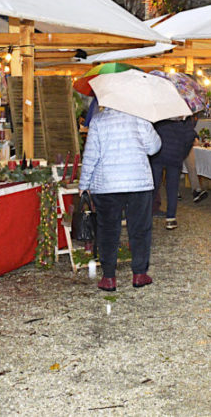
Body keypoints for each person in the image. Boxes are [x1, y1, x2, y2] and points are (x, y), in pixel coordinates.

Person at [77, 107, 162, 291]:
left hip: (107, 184)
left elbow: (91, 155)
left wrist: (84, 184)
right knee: (140, 229)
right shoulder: (140, 116)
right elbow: (154, 147)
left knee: (108, 230)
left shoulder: (99, 121)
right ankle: (139, 274)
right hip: (139, 183)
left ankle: (108, 277)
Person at [150, 115, 198, 229]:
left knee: (154, 187)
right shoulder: (183, 122)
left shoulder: (158, 120)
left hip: (158, 157)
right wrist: (182, 154)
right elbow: (190, 136)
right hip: (175, 158)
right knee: (172, 188)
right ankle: (170, 219)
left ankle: (147, 217)